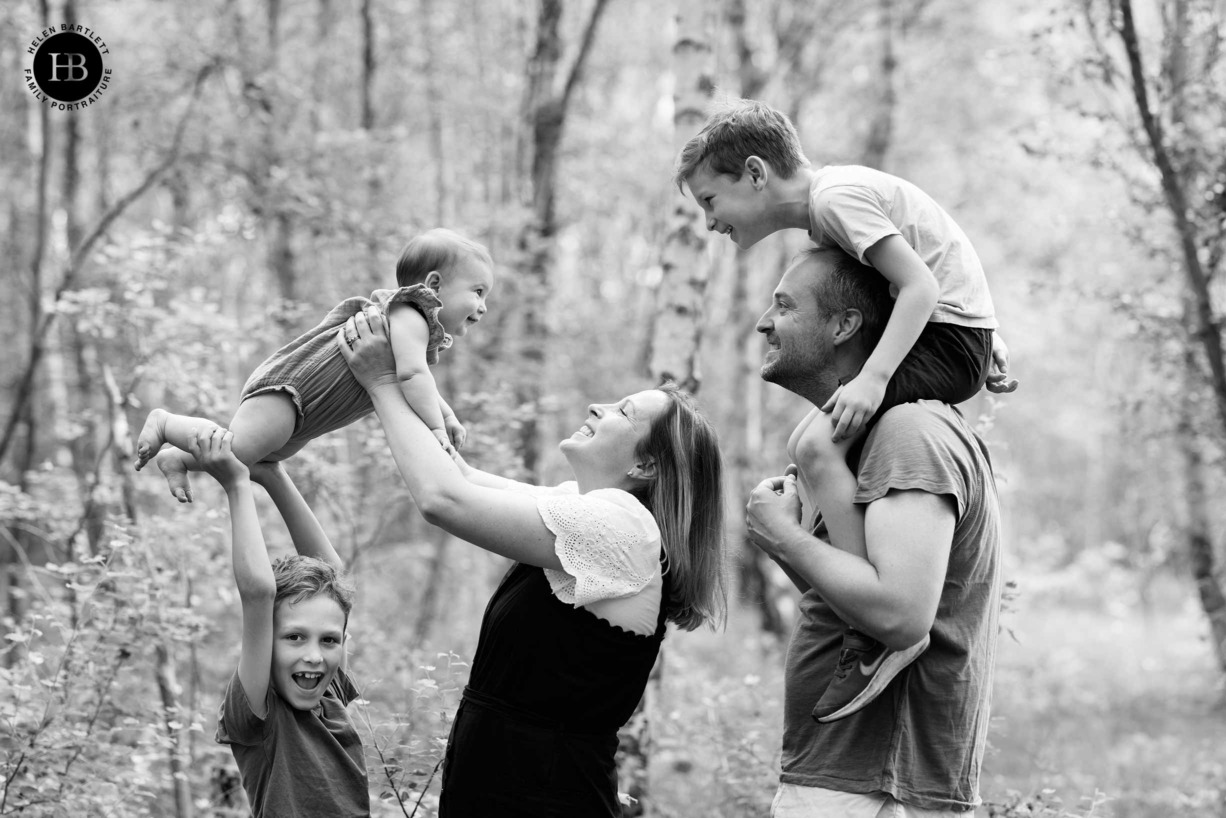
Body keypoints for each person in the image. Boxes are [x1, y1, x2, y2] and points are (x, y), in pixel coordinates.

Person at [675, 98, 1014, 715]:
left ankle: (872, 623)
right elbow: (933, 258)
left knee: (813, 443)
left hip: (947, 333)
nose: (708, 223)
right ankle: (865, 597)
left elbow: (921, 286)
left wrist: (874, 377)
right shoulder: (828, 213)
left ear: (755, 173)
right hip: (957, 332)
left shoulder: (835, 200)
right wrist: (990, 336)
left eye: (709, 201)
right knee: (810, 443)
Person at [337, 306, 728, 817]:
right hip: (507, 789)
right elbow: (462, 477)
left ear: (645, 464)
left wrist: (382, 383)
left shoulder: (623, 530)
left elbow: (444, 501)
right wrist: (425, 399)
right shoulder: (588, 513)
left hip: (543, 797)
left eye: (622, 412)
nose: (596, 405)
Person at [746, 247, 1003, 816]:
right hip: (846, 772)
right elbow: (846, 600)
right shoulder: (847, 444)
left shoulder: (909, 433)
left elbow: (899, 617)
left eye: (784, 306)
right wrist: (788, 538)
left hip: (875, 783)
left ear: (844, 325)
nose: (763, 322)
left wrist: (785, 538)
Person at [135, 227, 495, 504]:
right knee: (237, 449)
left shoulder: (413, 328)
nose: (482, 306)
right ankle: (168, 423)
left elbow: (418, 378)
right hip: (292, 392)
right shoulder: (411, 313)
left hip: (306, 413)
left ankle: (180, 459)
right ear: (434, 284)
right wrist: (436, 427)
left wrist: (445, 414)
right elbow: (412, 376)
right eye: (477, 291)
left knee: (250, 459)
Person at [190, 426, 369, 818]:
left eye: (328, 641)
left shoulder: (328, 693)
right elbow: (258, 594)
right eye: (293, 637)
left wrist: (273, 476)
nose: (314, 656)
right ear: (265, 642)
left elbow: (334, 576)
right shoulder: (261, 712)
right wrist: (237, 484)